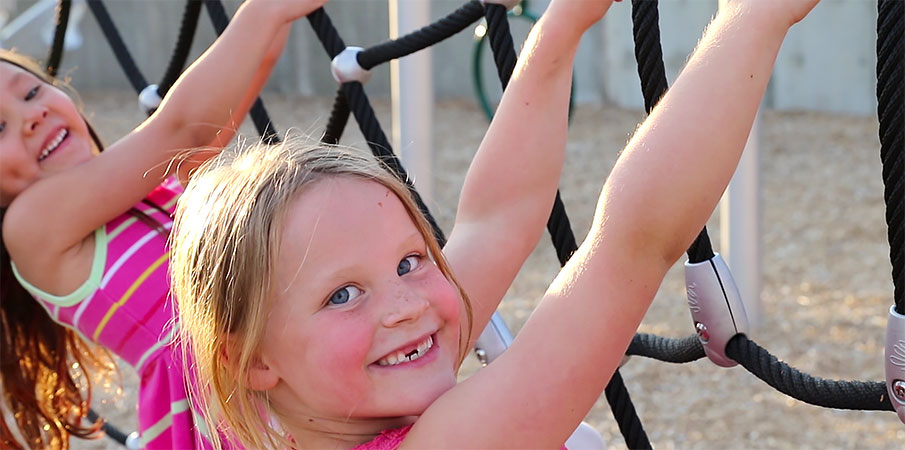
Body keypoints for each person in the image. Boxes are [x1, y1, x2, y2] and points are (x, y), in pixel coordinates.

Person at [170, 0, 821, 448]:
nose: (404, 305)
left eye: (410, 261)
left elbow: (496, 217)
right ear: (249, 358)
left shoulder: (339, 387)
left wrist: (560, 29)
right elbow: (632, 247)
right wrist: (751, 18)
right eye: (342, 294)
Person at [0, 0, 329, 448]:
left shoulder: (154, 187)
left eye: (31, 92)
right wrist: (263, 11)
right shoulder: (30, 226)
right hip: (219, 410)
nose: (31, 115)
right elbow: (178, 130)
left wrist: (273, 19)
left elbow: (249, 71)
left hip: (271, 360)